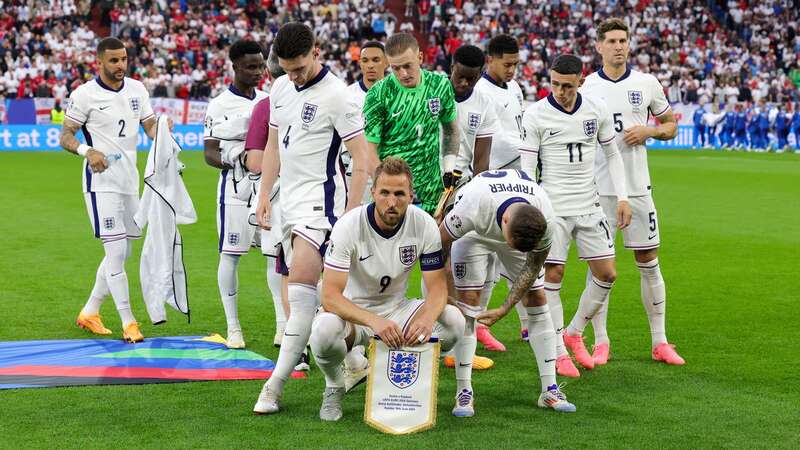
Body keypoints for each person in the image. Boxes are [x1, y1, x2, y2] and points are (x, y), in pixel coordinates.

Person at [252, 22, 375, 415]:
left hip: (321, 210)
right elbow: (273, 145)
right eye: (287, 68)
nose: (294, 74)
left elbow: (362, 159)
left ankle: (274, 387)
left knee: (301, 295)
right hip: (287, 206)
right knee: (314, 299)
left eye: (300, 67)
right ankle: (353, 362)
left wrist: (351, 213)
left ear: (316, 52)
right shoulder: (281, 88)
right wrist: (263, 195)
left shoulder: (337, 95)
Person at [309, 157, 465, 421]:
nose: (391, 202)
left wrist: (426, 320)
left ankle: (404, 381)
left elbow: (437, 287)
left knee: (453, 322)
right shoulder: (349, 226)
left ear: (410, 195)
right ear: (373, 192)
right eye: (385, 193)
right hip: (354, 315)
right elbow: (330, 296)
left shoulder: (424, 224)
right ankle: (334, 386)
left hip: (397, 310)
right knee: (323, 333)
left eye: (399, 194)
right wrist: (374, 321)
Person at [580, 18, 684, 367]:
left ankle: (660, 341)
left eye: (623, 40)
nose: (618, 46)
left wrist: (650, 131)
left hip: (638, 189)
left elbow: (671, 126)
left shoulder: (647, 83)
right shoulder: (587, 87)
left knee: (649, 262)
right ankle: (601, 341)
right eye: (611, 41)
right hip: (598, 190)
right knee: (600, 269)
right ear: (599, 46)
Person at [519, 54, 632, 376]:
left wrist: (623, 197)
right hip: (553, 207)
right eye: (554, 84)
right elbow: (527, 168)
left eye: (567, 86)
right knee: (552, 277)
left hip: (589, 204)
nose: (560, 91)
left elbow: (612, 153)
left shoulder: (596, 110)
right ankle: (558, 351)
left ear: (580, 82)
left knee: (607, 274)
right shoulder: (536, 114)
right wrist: (532, 205)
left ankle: (574, 331)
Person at [441, 169, 576, 416]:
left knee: (537, 297)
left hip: (514, 226)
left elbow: (533, 267)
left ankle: (550, 389)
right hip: (473, 234)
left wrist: (505, 308)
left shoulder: (545, 219)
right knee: (468, 305)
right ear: (504, 224)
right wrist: (445, 291)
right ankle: (464, 391)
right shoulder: (473, 205)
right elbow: (439, 244)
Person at [60, 37, 160, 343]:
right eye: (114, 60)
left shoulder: (137, 89)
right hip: (100, 184)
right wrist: (87, 152)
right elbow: (65, 135)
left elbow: (150, 125)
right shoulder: (85, 94)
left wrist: (165, 140)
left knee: (124, 250)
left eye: (124, 59)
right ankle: (129, 322)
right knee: (116, 251)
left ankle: (90, 311)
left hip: (130, 182)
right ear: (100, 61)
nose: (120, 66)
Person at [440, 44, 505, 368]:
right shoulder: (433, 92)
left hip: (462, 193)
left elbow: (482, 163)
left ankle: (452, 346)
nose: (462, 84)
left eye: (470, 79)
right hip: (424, 188)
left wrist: (473, 199)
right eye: (459, 76)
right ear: (450, 67)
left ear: (480, 74)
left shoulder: (485, 105)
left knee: (452, 268)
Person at [202, 39, 268, 349]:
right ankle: (233, 328)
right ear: (235, 67)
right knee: (231, 256)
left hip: (268, 190)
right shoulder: (218, 105)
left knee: (275, 255)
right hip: (234, 190)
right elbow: (209, 153)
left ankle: (282, 328)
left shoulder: (269, 100)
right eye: (250, 66)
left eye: (260, 65)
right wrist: (237, 158)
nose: (257, 72)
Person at [362, 32, 460, 216]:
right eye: (395, 68)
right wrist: (387, 188)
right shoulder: (378, 94)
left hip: (432, 192)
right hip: (395, 197)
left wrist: (449, 167)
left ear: (420, 57)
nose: (403, 74)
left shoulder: (440, 85)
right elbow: (369, 151)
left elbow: (451, 131)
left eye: (408, 66)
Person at [473, 34, 531, 342]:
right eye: (507, 64)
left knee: (519, 250)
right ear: (490, 60)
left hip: (517, 179)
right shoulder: (481, 92)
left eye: (516, 64)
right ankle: (478, 324)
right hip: (493, 181)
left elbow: (519, 128)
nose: (512, 70)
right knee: (491, 259)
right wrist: (532, 149)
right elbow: (495, 140)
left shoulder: (516, 88)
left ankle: (524, 323)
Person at [243, 47, 289, 350]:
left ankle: (284, 328)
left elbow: (255, 162)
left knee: (278, 262)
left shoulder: (265, 106)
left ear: (269, 74)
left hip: (277, 195)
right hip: (317, 193)